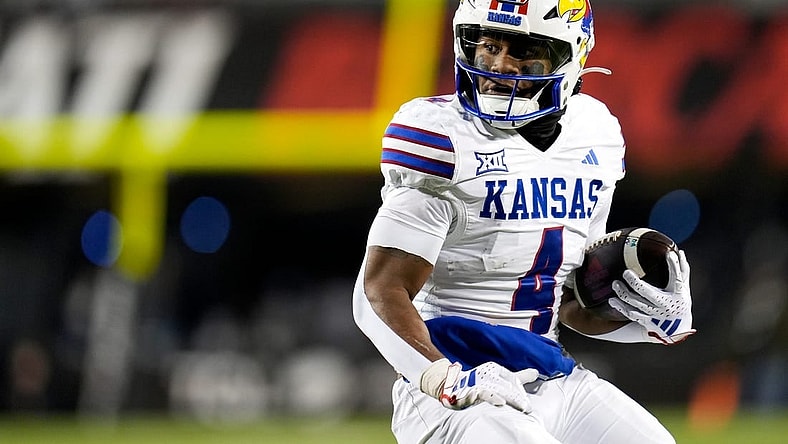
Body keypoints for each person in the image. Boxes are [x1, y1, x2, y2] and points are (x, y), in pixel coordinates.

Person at [352, 0, 695, 443]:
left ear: (571, 55)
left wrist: (647, 323)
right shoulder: (442, 138)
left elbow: (569, 301)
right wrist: (444, 379)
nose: (499, 65)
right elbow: (377, 292)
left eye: (524, 49)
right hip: (459, 383)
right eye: (490, 45)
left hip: (553, 376)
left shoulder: (596, 134)